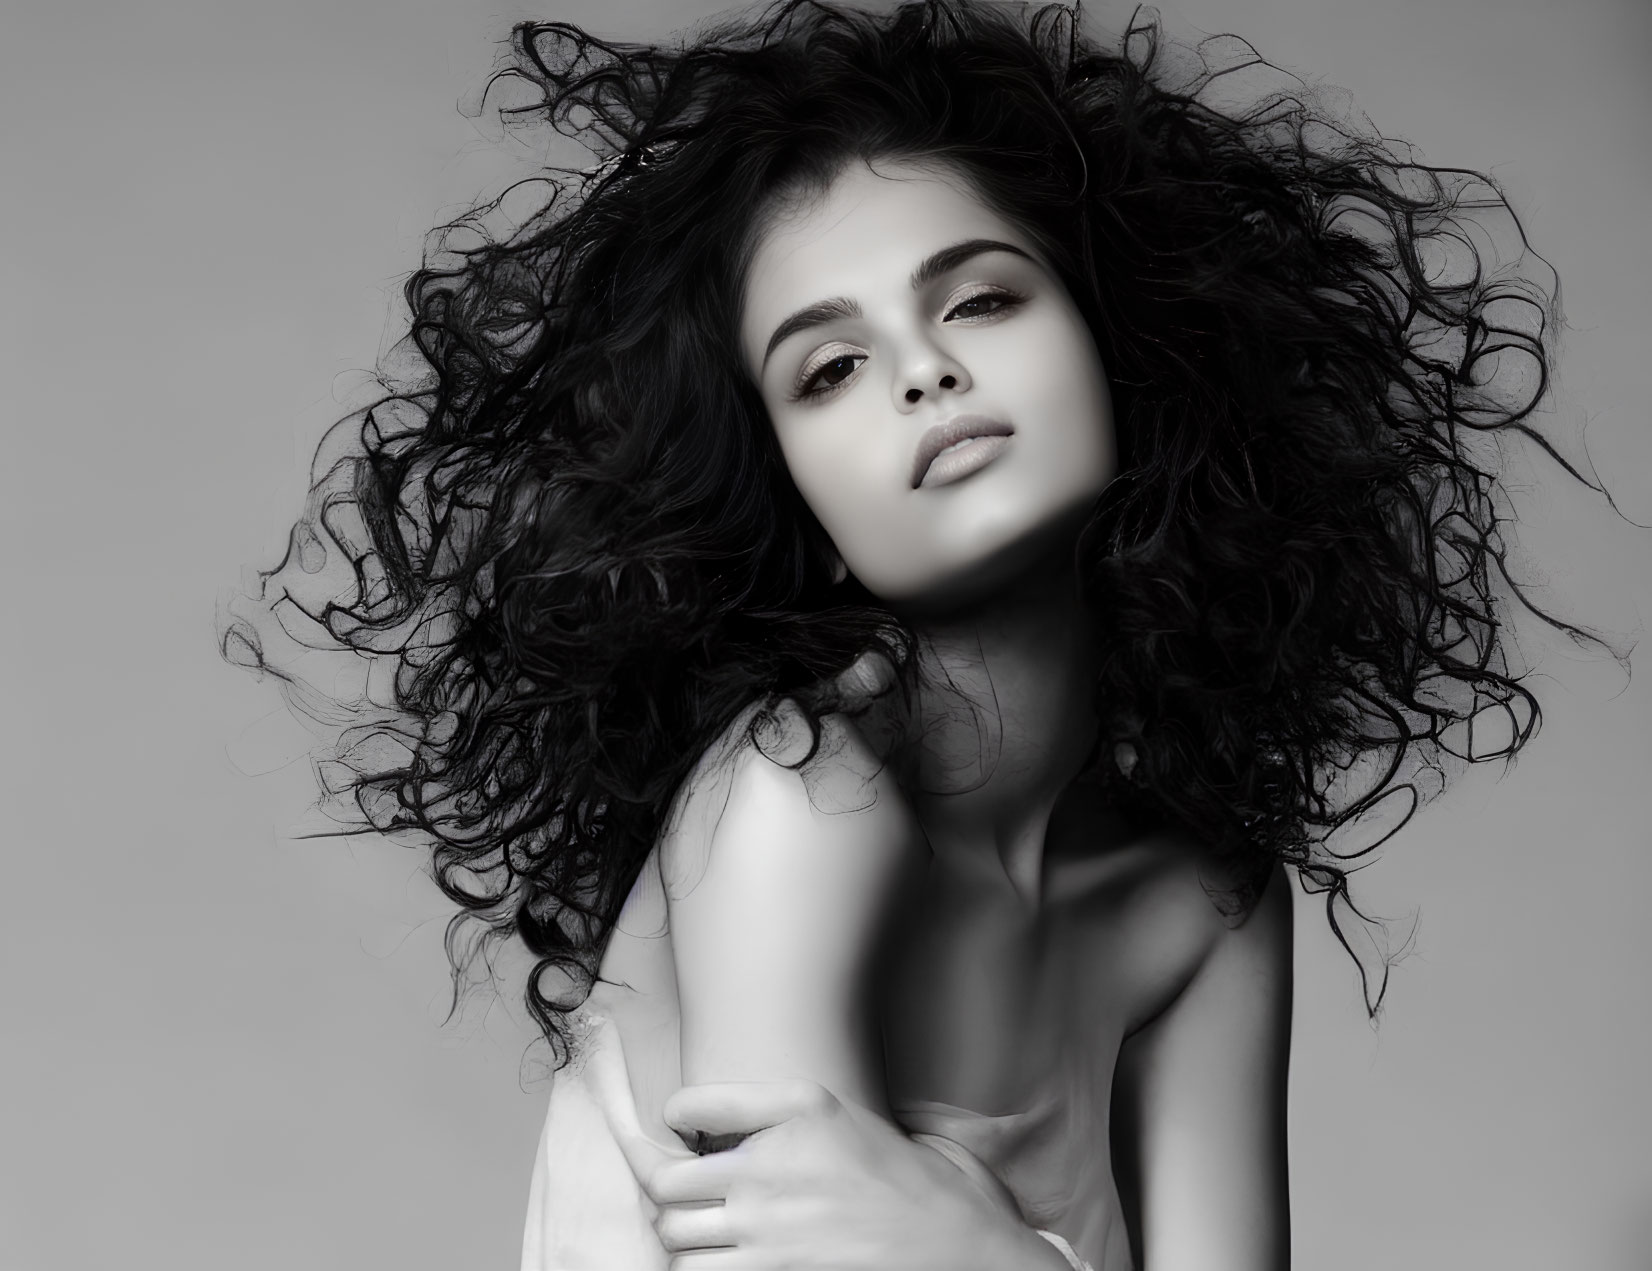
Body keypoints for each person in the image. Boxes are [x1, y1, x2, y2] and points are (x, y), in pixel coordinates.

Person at [225, 1, 1585, 1267]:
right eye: (830, 370)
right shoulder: (797, 791)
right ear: (799, 502)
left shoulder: (1207, 897)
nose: (926, 373)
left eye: (982, 298)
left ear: (1123, 349)